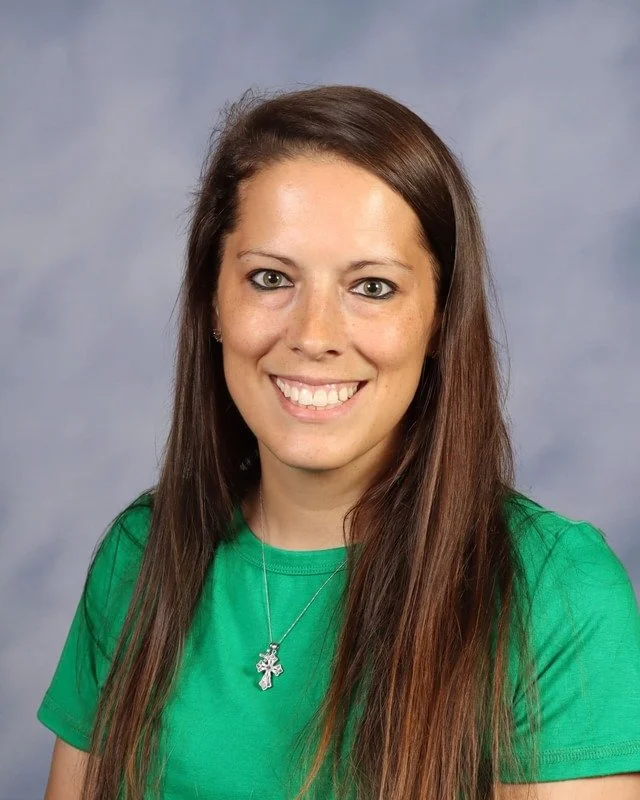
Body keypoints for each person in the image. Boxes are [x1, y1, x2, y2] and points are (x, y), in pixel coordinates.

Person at [37, 85, 640, 800]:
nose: (314, 335)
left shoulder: (555, 590)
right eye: (270, 279)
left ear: (440, 320)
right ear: (213, 302)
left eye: (374, 288)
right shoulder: (140, 556)